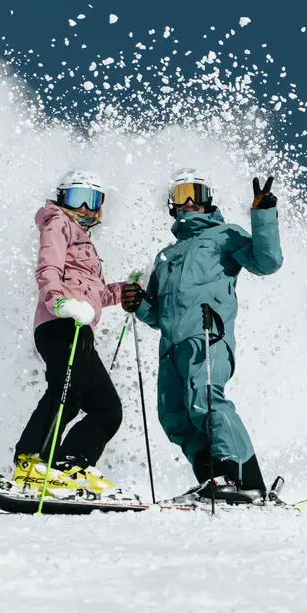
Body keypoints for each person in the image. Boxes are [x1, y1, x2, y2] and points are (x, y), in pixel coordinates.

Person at [121, 169, 282, 503]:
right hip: (171, 346)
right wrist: (138, 304)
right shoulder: (165, 256)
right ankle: (215, 479)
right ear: (172, 206)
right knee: (175, 416)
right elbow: (158, 314)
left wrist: (263, 214)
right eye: (182, 195)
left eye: (197, 193)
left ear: (209, 200)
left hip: (207, 333)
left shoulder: (225, 235)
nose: (191, 201)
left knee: (205, 400)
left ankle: (241, 479)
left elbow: (267, 262)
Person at [9, 170, 128, 497]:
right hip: (60, 321)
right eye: (78, 198)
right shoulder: (58, 222)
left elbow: (96, 295)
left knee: (107, 408)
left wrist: (124, 291)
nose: (87, 208)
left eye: (94, 200)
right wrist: (58, 302)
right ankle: (31, 461)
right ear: (62, 198)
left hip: (80, 325)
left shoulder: (85, 242)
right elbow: (48, 267)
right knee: (66, 392)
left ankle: (68, 465)